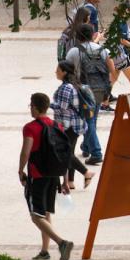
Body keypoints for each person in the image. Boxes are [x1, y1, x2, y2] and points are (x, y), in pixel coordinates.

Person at [19, 93, 75, 260]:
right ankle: (44, 251)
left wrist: (20, 170)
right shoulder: (57, 125)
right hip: (54, 176)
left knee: (36, 215)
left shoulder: (30, 127)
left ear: (35, 107)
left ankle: (61, 243)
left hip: (37, 175)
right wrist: (65, 180)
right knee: (46, 213)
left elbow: (26, 152)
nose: (30, 109)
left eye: (31, 106)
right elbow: (64, 154)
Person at [65, 23, 117, 166]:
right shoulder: (103, 50)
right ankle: (86, 147)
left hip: (83, 90)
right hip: (100, 89)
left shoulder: (74, 52)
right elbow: (112, 71)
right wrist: (108, 89)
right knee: (92, 120)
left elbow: (66, 71)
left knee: (88, 121)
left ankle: (96, 152)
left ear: (78, 36)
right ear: (92, 35)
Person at [53, 61, 96, 189]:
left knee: (64, 152)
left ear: (64, 72)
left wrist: (46, 104)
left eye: (58, 70)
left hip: (69, 125)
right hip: (75, 125)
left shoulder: (67, 87)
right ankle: (70, 182)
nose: (56, 72)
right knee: (69, 152)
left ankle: (86, 172)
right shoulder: (73, 85)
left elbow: (62, 106)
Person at [111, 2, 130, 98]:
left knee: (113, 79)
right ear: (127, 11)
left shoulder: (117, 21)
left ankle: (104, 101)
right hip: (122, 55)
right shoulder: (121, 22)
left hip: (115, 54)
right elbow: (121, 39)